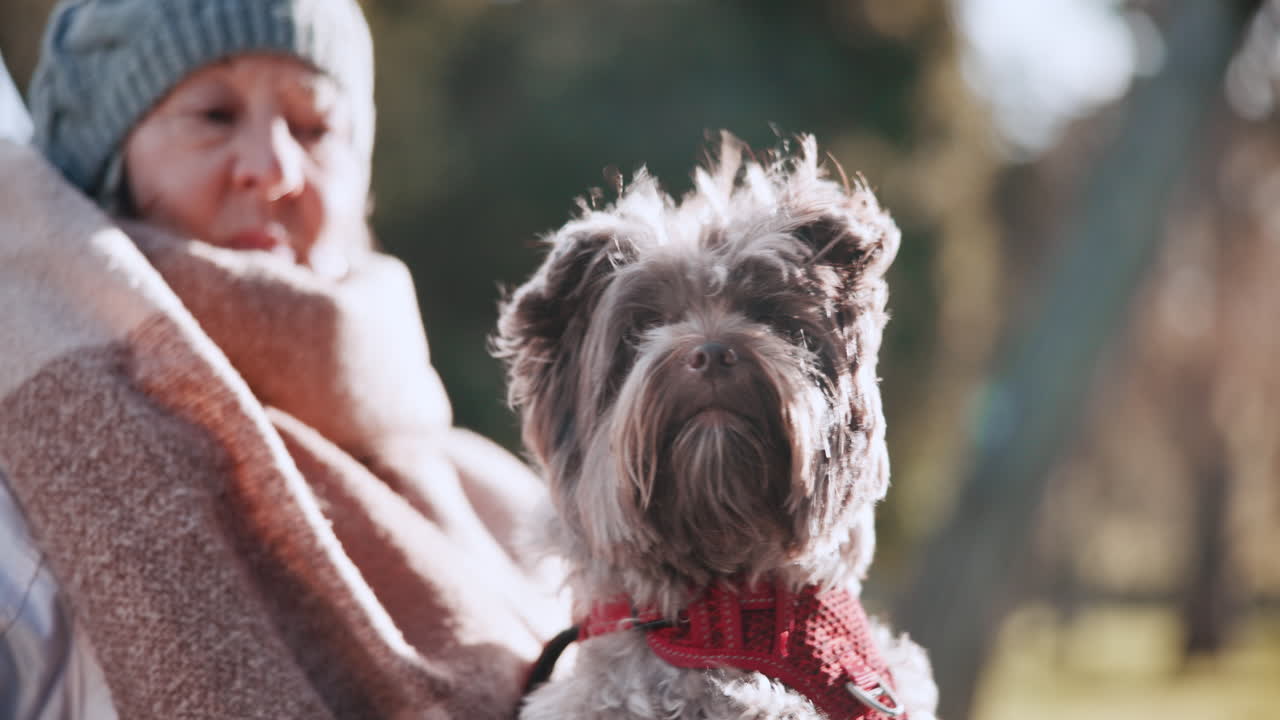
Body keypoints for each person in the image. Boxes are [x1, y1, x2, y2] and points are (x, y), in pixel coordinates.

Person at [0, 1, 566, 718]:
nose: (272, 168)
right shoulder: (30, 489)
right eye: (213, 114)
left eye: (314, 127)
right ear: (99, 158)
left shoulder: (504, 498)